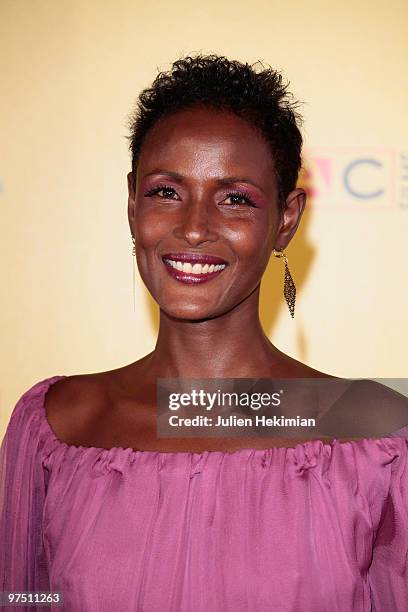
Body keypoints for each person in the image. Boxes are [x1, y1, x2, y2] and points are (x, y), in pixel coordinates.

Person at [1, 54, 407, 611]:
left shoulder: (379, 433)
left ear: (285, 221)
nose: (193, 227)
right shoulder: (57, 424)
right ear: (131, 202)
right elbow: (23, 598)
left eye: (236, 198)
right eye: (166, 191)